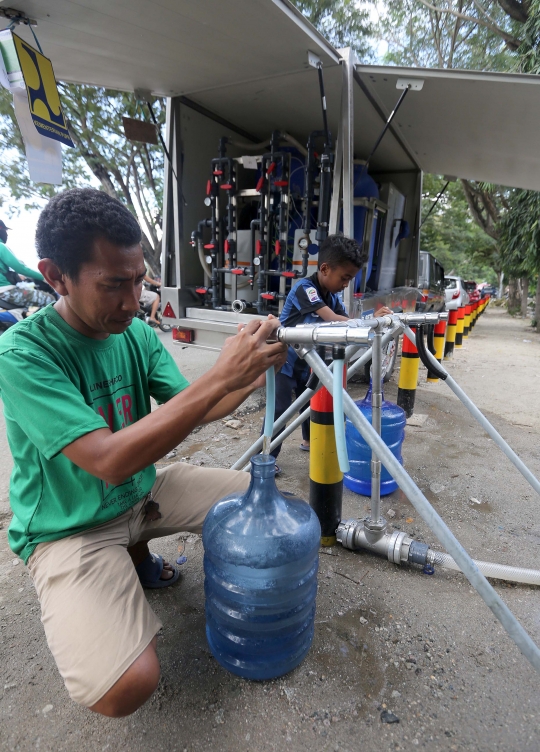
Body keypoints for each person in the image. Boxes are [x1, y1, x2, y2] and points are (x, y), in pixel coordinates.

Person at [0, 188, 286, 718]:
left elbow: (193, 408)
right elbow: (108, 460)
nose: (134, 302)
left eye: (138, 280)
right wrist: (219, 374)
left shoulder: (132, 332)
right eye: (113, 284)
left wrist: (248, 373)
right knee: (125, 687)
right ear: (55, 276)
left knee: (265, 505)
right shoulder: (23, 354)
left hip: (143, 492)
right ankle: (112, 566)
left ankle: (136, 553)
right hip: (71, 525)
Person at [266, 234, 391, 464]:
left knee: (309, 402)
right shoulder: (306, 288)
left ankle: (308, 441)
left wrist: (370, 319)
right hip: (285, 361)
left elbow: (345, 318)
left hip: (308, 361)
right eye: (344, 278)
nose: (345, 284)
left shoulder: (331, 296)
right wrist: (364, 320)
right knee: (280, 412)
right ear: (324, 269)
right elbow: (334, 319)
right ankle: (265, 460)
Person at [0, 219, 56, 308]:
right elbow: (21, 268)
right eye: (5, 230)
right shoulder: (1, 246)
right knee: (50, 299)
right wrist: (44, 277)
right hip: (6, 292)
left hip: (4, 292)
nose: (6, 233)